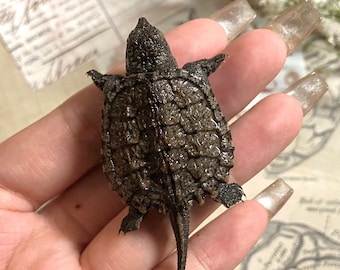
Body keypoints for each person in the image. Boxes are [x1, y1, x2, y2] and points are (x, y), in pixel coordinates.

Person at [0, 7, 322, 270]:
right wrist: (211, 64)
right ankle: (217, 187)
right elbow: (200, 70)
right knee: (211, 175)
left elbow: (108, 86)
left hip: (143, 181)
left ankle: (138, 212)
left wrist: (101, 80)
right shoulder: (189, 76)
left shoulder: (116, 89)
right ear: (166, 52)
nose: (142, 24)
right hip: (200, 171)